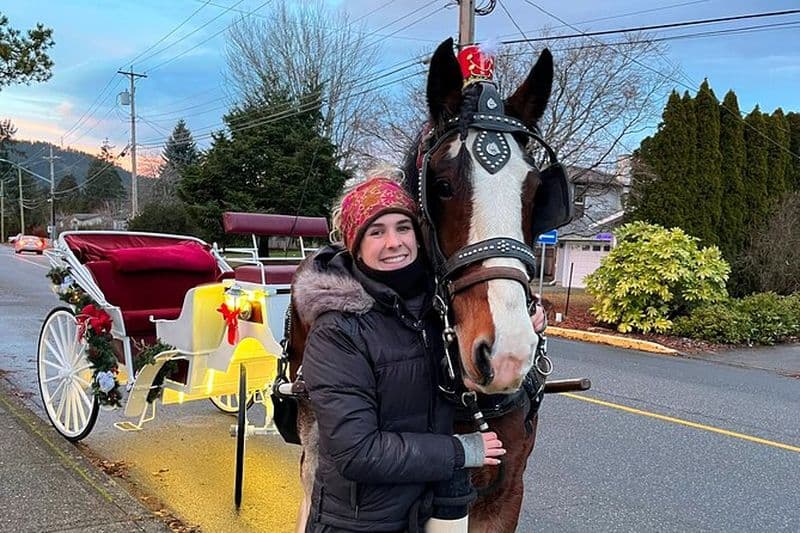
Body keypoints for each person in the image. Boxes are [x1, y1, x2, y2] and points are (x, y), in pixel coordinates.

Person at [293, 176, 504, 532]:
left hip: (426, 506)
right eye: (376, 232)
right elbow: (356, 452)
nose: (394, 243)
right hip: (362, 521)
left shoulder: (438, 312)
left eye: (403, 227)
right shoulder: (338, 331)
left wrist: (517, 326)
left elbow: (483, 378)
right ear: (354, 246)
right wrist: (460, 451)